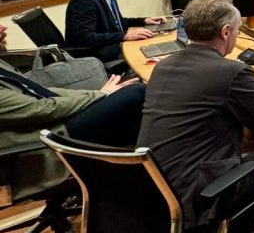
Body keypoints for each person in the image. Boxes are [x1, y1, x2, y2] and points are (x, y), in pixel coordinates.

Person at [136, 0, 254, 233]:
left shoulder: (164, 66)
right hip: (198, 200)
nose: (237, 36)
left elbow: (205, 94)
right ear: (225, 31)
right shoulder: (233, 72)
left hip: (151, 192)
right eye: (238, 30)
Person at [0, 22, 145, 147]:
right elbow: (40, 109)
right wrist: (101, 94)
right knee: (136, 92)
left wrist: (98, 94)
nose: (3, 27)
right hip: (49, 134)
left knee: (133, 103)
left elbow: (42, 90)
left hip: (56, 119)